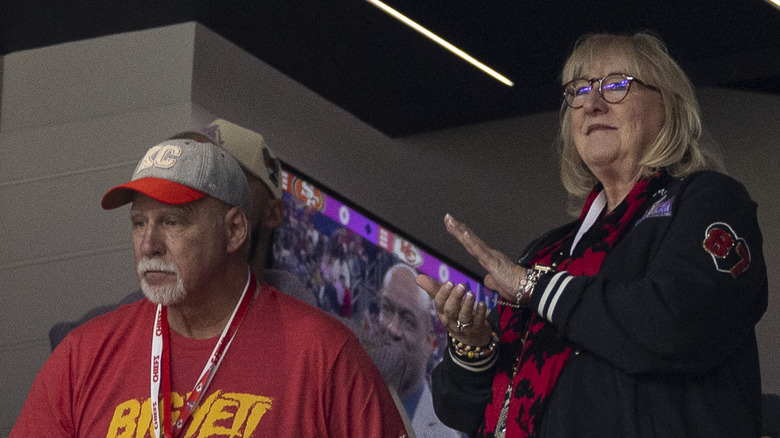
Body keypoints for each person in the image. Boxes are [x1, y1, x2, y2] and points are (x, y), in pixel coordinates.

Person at [416, 32, 768, 437]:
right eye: (579, 90)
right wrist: (474, 345)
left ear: (669, 106)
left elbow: (676, 328)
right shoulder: (550, 250)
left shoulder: (707, 200)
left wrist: (535, 287)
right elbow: (457, 409)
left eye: (617, 85)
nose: (593, 103)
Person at [13, 133, 408, 437]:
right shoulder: (81, 355)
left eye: (172, 222)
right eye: (139, 223)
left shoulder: (325, 354)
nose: (149, 245)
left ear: (235, 229)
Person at [47, 119, 318, 351]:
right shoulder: (96, 341)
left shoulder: (321, 346)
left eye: (230, 177)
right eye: (190, 173)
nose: (148, 243)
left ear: (271, 213)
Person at [374, 263, 462, 438]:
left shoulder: (444, 436)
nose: (393, 328)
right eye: (387, 309)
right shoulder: (345, 387)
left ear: (431, 342)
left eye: (408, 321)